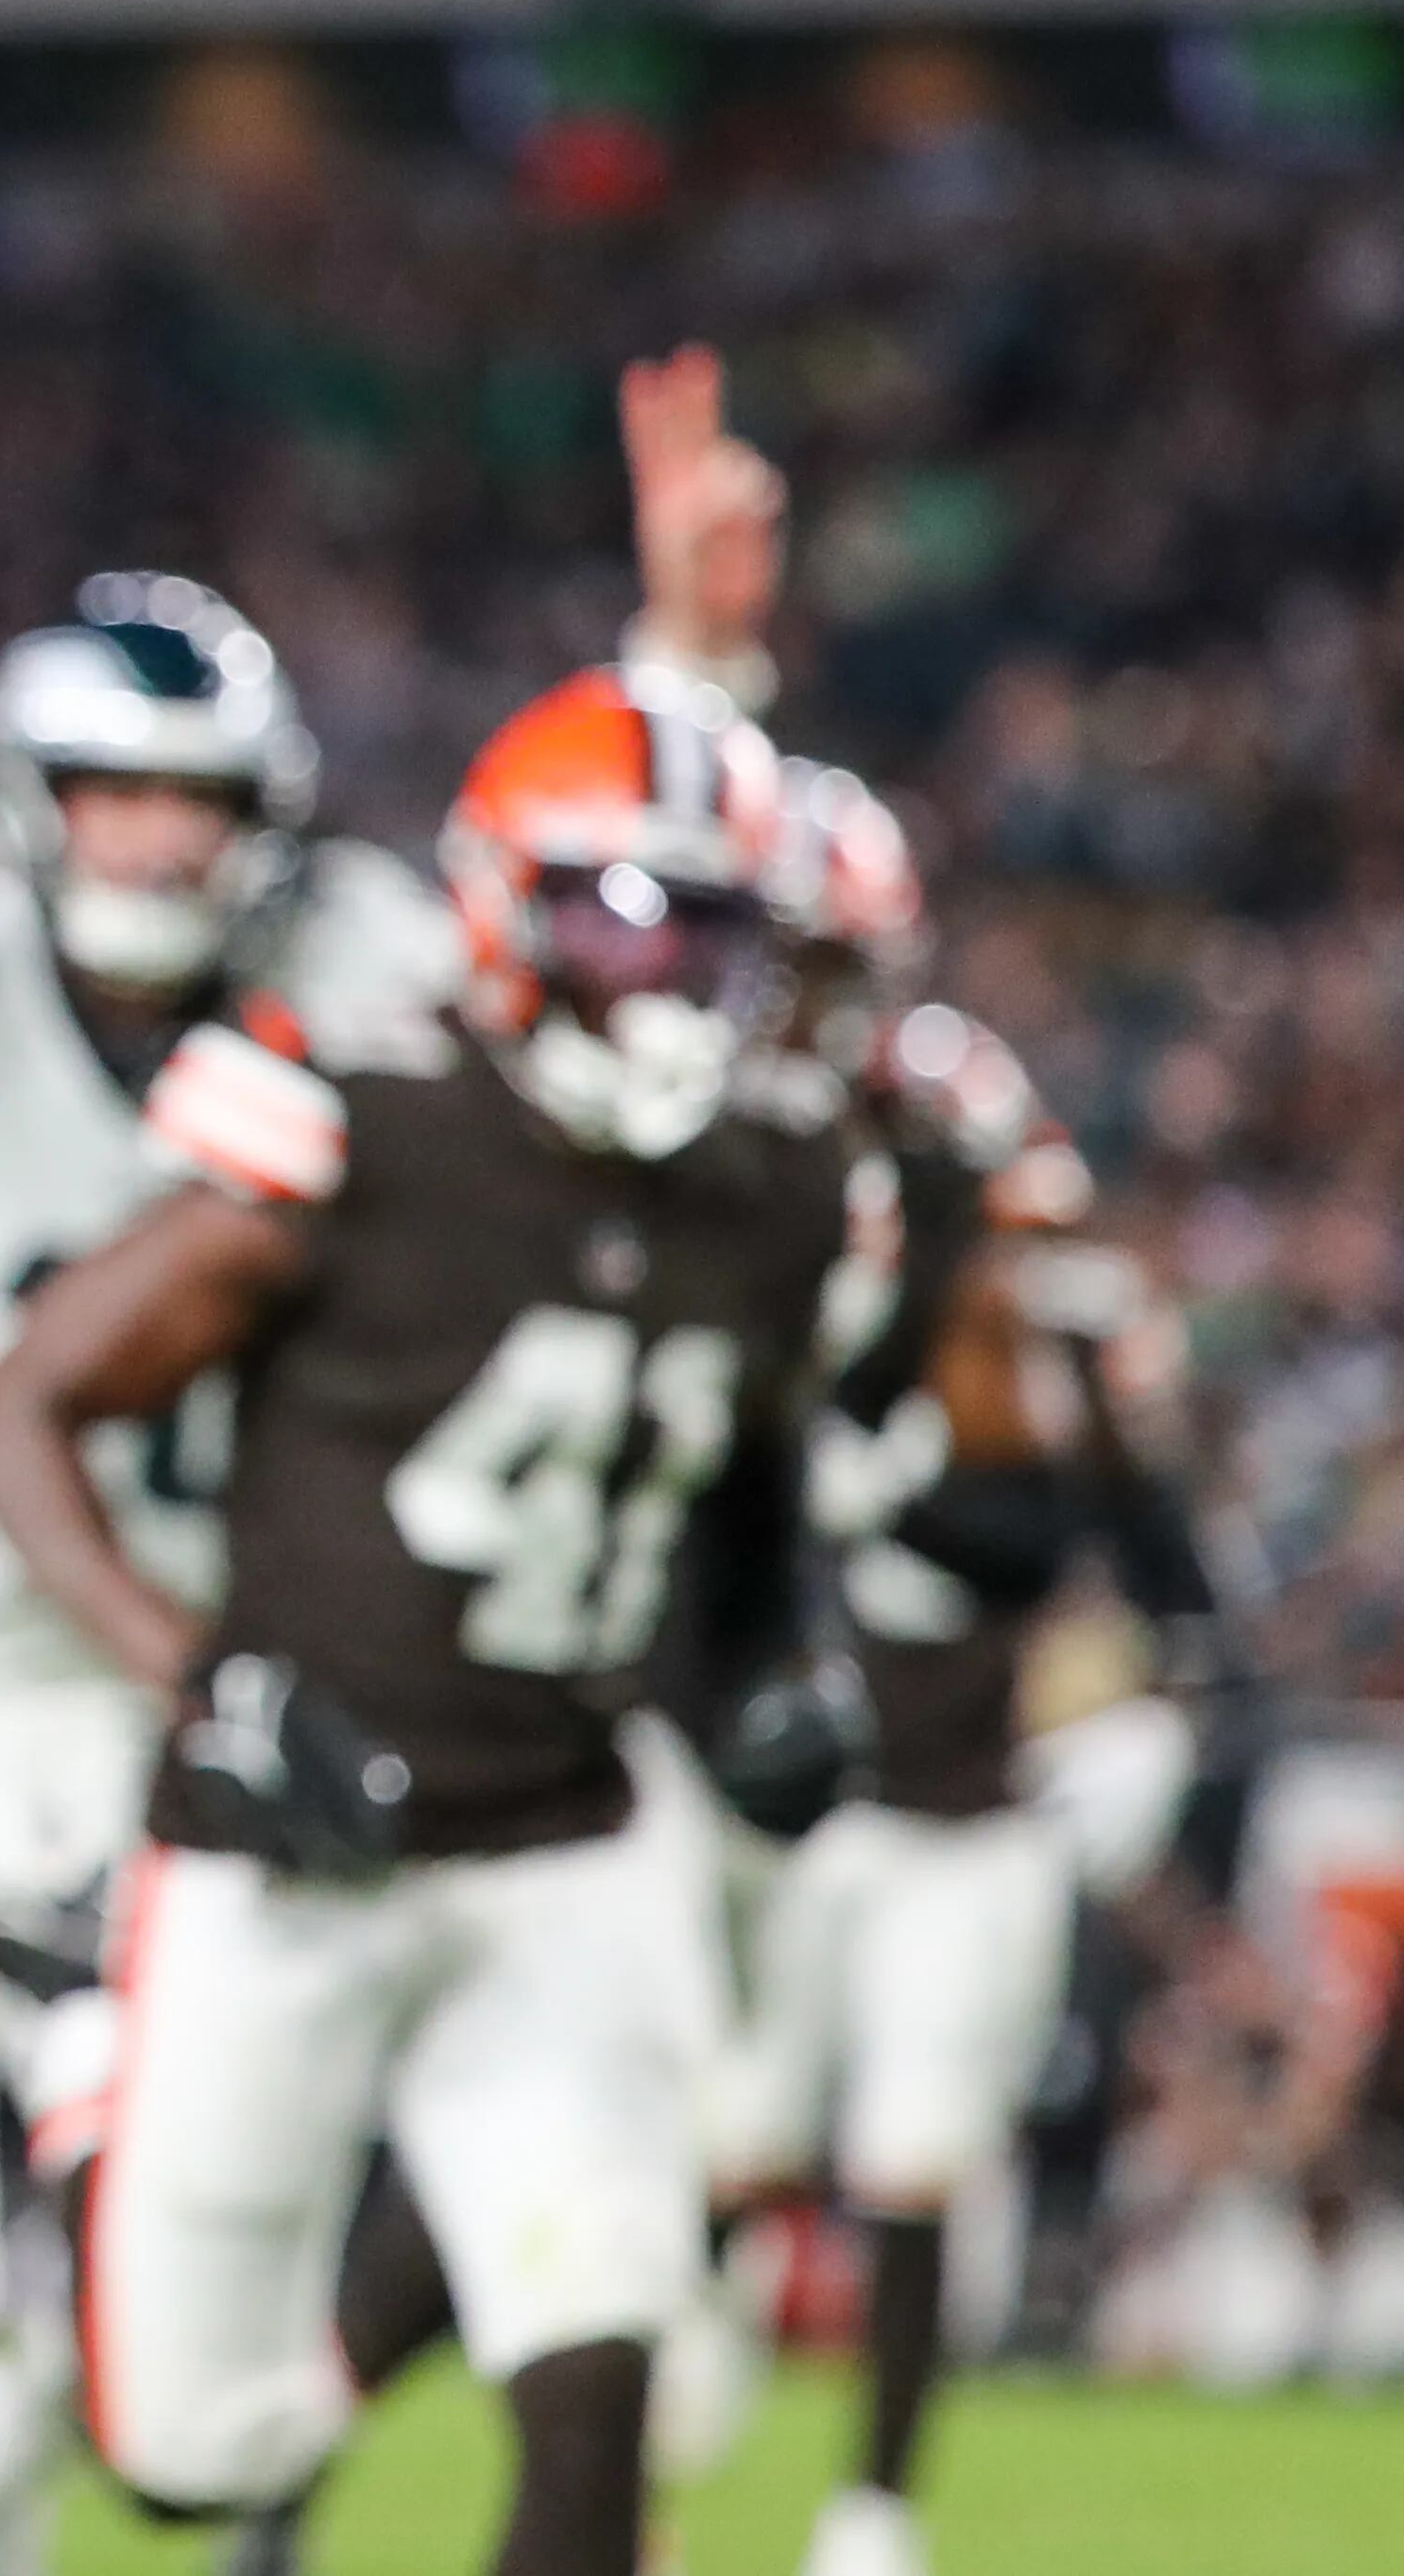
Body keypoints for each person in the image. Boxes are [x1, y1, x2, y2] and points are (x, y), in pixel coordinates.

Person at [0, 665, 861, 2576]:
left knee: (594, 2345)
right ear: (492, 904)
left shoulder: (780, 1187)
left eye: (702, 926)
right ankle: (73, 2054)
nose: (656, 971)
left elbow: (738, 1489)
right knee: (190, 2448)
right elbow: (11, 1410)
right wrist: (192, 1681)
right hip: (292, 1828)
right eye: (610, 912)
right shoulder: (351, 1109)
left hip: (561, 1838)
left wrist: (776, 1660)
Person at [0, 501, 458, 2571]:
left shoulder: (335, 969)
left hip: (139, 1680)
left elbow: (531, 1003)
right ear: (25, 799)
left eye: (192, 797)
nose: (152, 838)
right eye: (111, 790)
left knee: (164, 2217)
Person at [695, 769, 1218, 2576]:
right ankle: (669, 2436)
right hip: (780, 1794)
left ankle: (871, 2515)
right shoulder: (717, 1150)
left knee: (919, 2161)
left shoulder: (975, 1193)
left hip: (960, 1793)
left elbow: (1102, 1472)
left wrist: (1177, 1661)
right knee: (733, 2140)